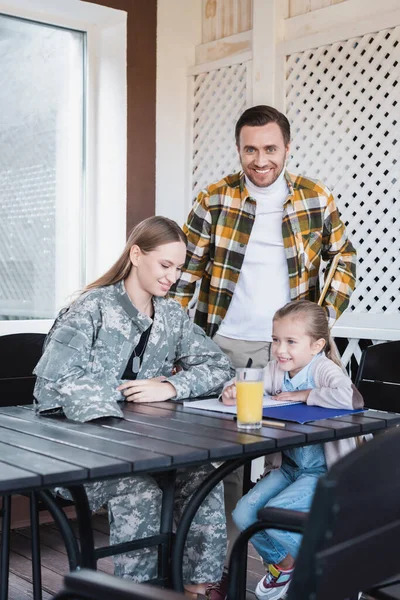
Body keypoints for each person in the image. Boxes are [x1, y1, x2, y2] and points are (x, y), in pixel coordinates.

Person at [169, 104, 357, 593]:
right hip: (224, 343)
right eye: (250, 149)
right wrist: (174, 338)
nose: (260, 159)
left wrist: (322, 321)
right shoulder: (213, 198)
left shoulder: (315, 198)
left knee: (298, 456)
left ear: (287, 148)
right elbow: (187, 274)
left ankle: (301, 558)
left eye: (270, 148)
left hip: (292, 351)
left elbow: (344, 258)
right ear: (239, 150)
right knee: (220, 463)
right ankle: (223, 570)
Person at [33, 216, 233, 598]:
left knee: (203, 478)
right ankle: (135, 594)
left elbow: (218, 367)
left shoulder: (172, 316)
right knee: (142, 490)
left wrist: (172, 385)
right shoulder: (91, 308)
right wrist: (127, 393)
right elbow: (53, 385)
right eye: (165, 265)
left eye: (178, 267)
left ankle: (197, 589)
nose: (173, 276)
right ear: (137, 255)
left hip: (147, 450)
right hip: (75, 456)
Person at [222, 300, 363, 600]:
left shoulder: (323, 369)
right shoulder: (275, 369)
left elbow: (352, 399)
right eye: (275, 340)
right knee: (244, 513)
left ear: (316, 345)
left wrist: (306, 394)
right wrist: (233, 389)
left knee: (275, 514)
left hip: (322, 472)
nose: (280, 350)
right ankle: (286, 565)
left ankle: (336, 571)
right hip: (288, 469)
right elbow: (252, 386)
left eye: (290, 342)